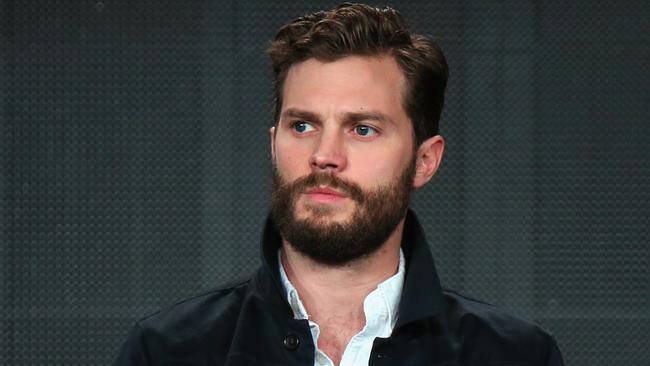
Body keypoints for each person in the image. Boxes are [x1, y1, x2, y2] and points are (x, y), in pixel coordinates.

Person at [114, 3, 564, 365]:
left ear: (424, 161)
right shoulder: (165, 351)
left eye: (362, 129)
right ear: (274, 145)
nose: (324, 155)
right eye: (303, 126)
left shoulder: (516, 355)